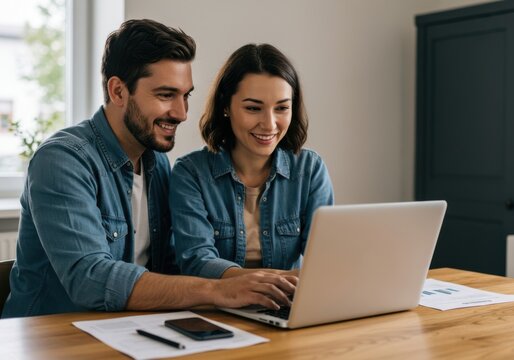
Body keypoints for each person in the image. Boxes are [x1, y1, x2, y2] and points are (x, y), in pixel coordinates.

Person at [2, 20, 296, 318]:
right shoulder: (63, 160)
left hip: (125, 331)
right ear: (118, 91)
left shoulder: (157, 164)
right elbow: (90, 279)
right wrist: (217, 290)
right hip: (49, 339)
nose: (181, 113)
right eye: (166, 95)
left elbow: (168, 266)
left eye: (186, 95)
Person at [169, 43, 334, 279]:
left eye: (282, 108)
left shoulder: (310, 170)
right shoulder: (190, 173)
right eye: (253, 108)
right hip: (216, 306)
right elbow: (196, 261)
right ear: (226, 106)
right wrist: (272, 282)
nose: (269, 124)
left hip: (284, 305)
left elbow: (324, 261)